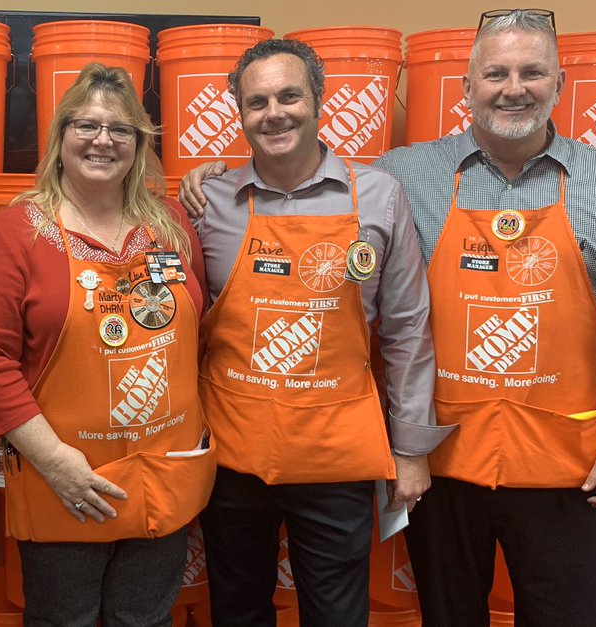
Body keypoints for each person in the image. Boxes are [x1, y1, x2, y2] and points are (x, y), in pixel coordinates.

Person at [180, 11, 596, 627]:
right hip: (446, 466)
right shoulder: (404, 176)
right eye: (495, 74)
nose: (513, 88)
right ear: (467, 88)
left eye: (531, 72)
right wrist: (210, 173)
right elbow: (301, 181)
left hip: (570, 469)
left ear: (559, 82)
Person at [175, 39, 449, 626]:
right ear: (240, 113)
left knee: (337, 614)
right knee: (237, 610)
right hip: (233, 453)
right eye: (257, 102)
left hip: (336, 456)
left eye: (289, 96)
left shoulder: (378, 195)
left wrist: (410, 449)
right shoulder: (207, 201)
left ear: (319, 102)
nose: (274, 113)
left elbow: (407, 328)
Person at [0, 63, 215, 627]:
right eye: (87, 125)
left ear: (139, 144)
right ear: (61, 136)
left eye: (120, 129)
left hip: (166, 472)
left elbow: (200, 327)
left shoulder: (171, 223)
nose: (103, 140)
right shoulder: (17, 232)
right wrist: (54, 460)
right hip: (66, 483)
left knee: (146, 619)